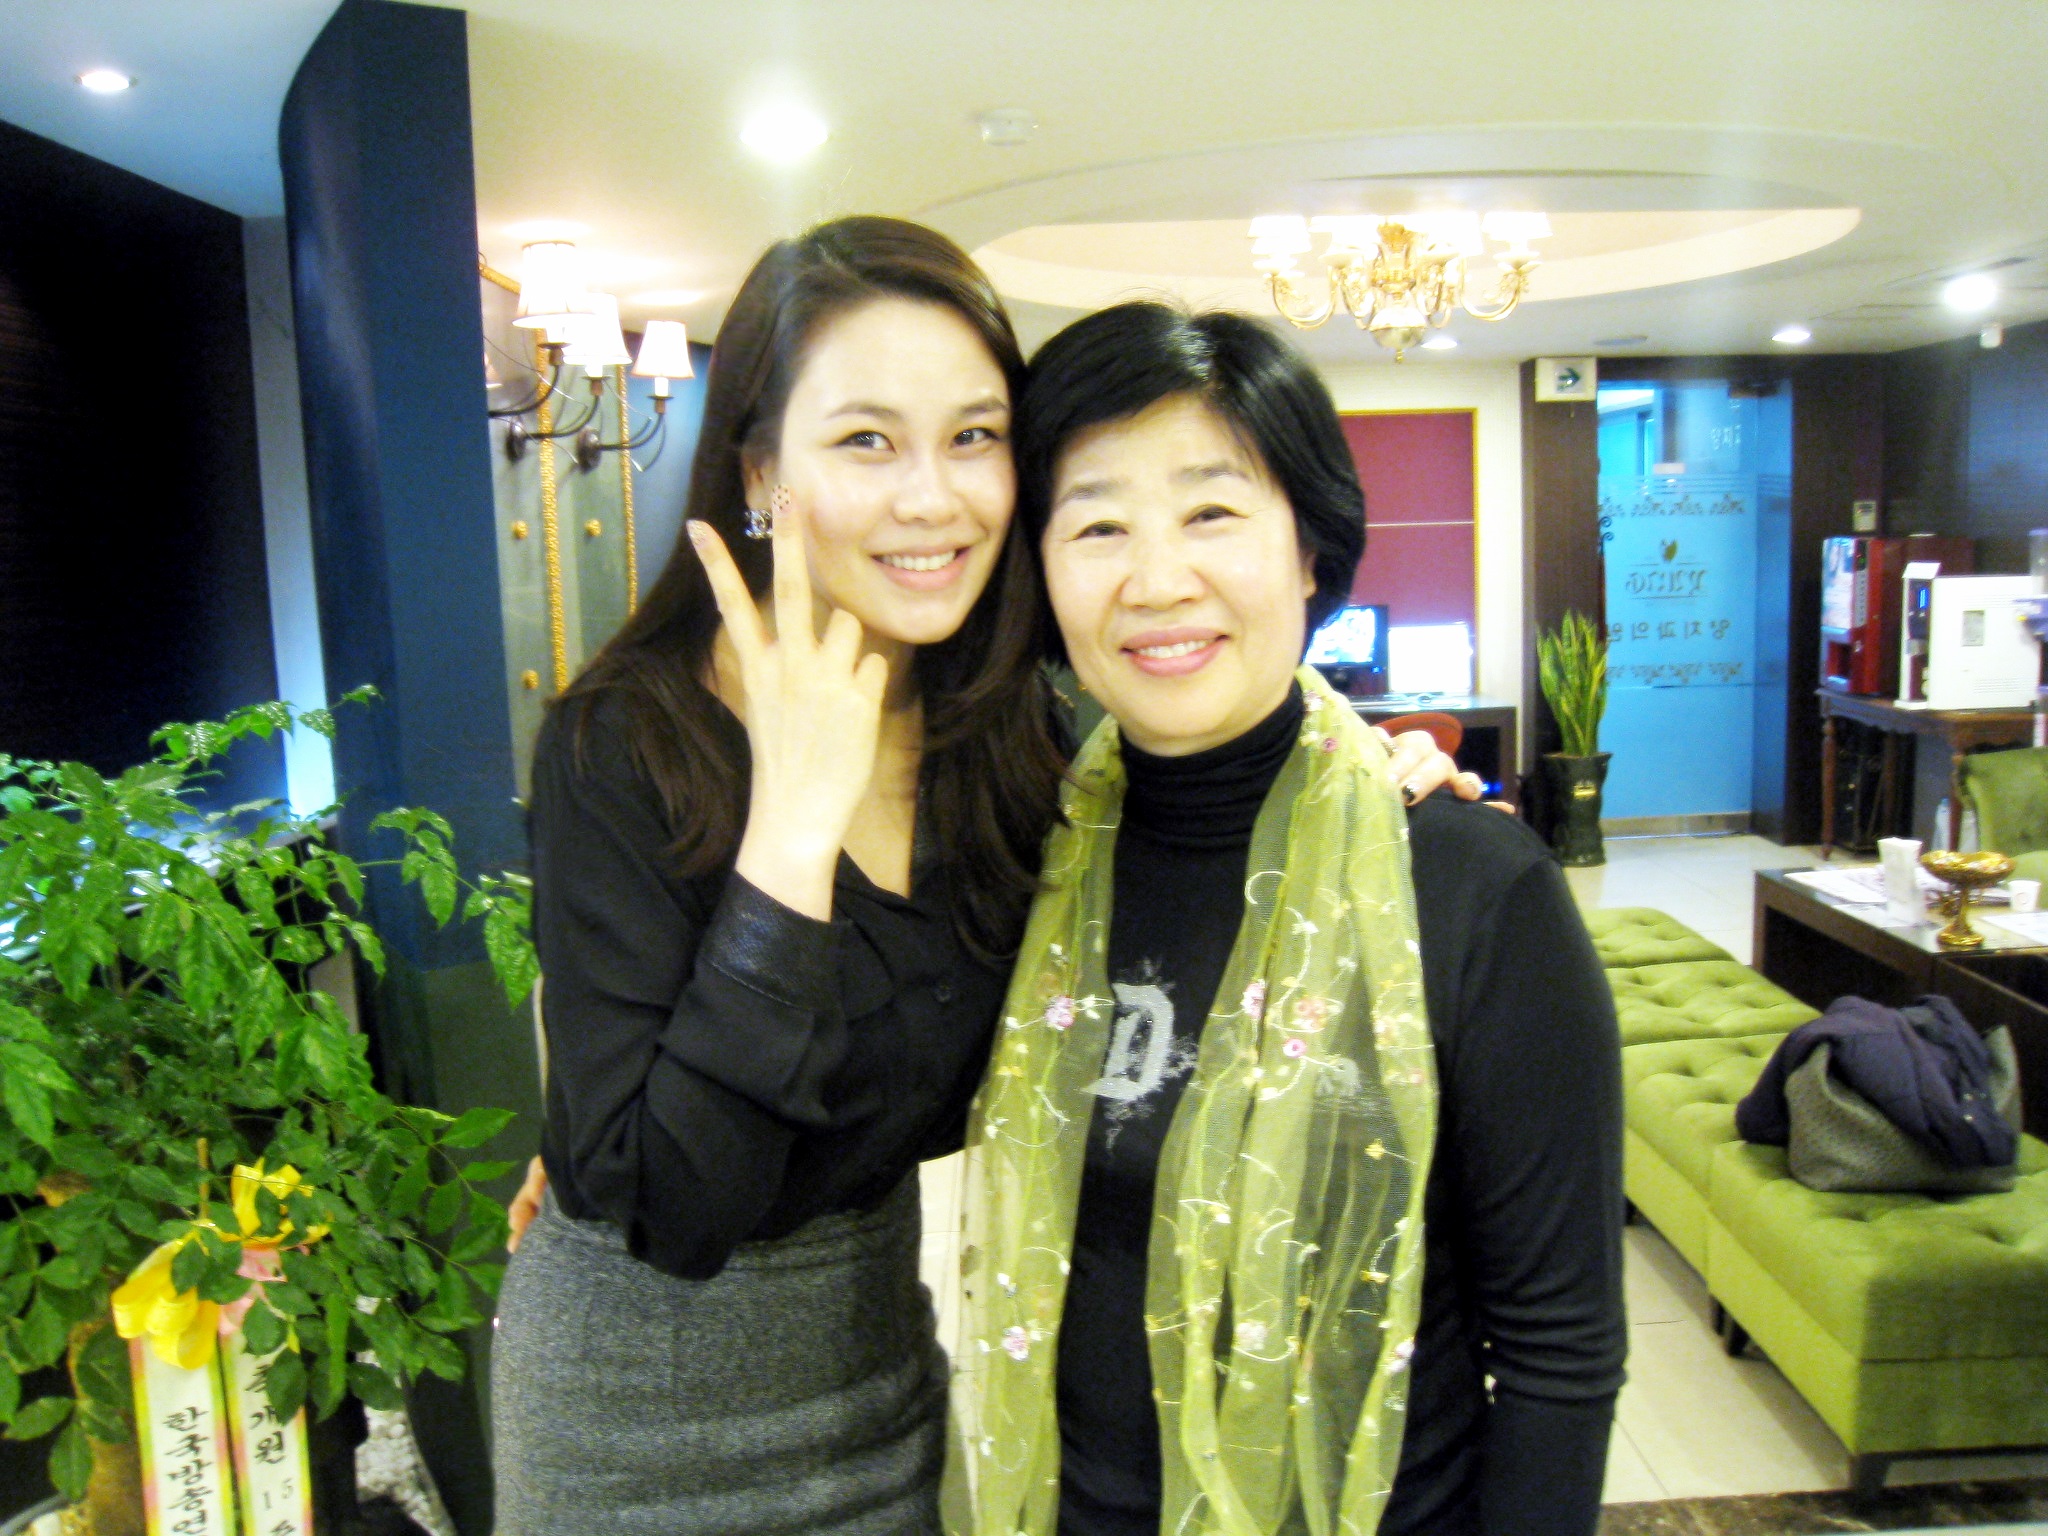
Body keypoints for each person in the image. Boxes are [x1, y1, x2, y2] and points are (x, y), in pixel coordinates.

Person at [493, 219, 1471, 1535]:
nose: (933, 499)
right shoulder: (626, 742)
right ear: (761, 470)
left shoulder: (1013, 735)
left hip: (878, 1363)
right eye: (866, 441)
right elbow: (675, 1211)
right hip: (638, 1406)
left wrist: (1362, 769)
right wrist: (789, 837)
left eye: (974, 436)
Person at [944, 304, 1626, 1536]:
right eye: (1097, 525)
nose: (1158, 581)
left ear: (1308, 549)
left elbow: (1557, 1353)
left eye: (1211, 512)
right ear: (1040, 573)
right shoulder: (1019, 865)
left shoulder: (1467, 886)